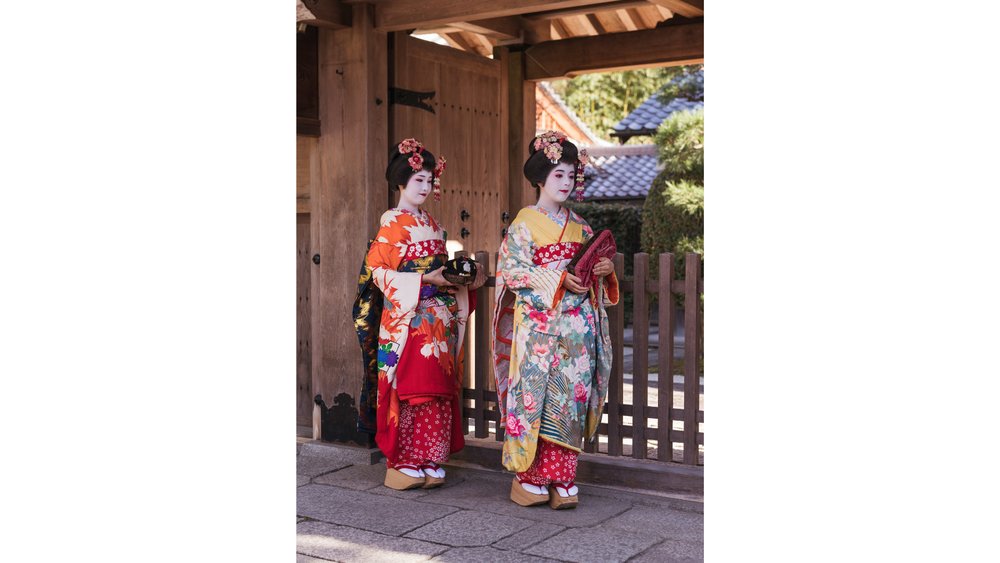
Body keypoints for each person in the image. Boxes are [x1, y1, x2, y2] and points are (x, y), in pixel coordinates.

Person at [492, 131, 619, 509]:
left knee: (571, 398)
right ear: (539, 178)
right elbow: (512, 273)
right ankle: (529, 476)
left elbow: (595, 277)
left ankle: (562, 476)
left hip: (578, 328)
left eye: (570, 175)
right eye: (558, 175)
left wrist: (604, 270)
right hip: (539, 328)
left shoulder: (581, 226)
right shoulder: (524, 224)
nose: (565, 182)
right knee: (537, 397)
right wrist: (557, 276)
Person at [353, 138, 486, 491]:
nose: (425, 188)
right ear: (401, 182)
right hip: (408, 319)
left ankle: (430, 457)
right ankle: (403, 460)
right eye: (418, 181)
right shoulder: (391, 225)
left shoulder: (432, 223)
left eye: (429, 181)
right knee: (412, 388)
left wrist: (463, 278)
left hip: (439, 318)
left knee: (439, 388)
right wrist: (424, 278)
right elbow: (378, 274)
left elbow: (444, 268)